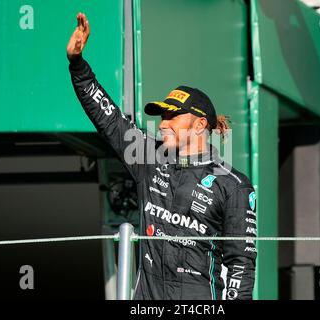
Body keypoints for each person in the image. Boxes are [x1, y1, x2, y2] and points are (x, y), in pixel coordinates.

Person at [67, 12, 257, 300]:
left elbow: (241, 265)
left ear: (200, 125)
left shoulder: (233, 185)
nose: (164, 124)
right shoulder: (149, 157)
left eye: (172, 117)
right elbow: (109, 119)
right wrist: (78, 67)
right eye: (162, 116)